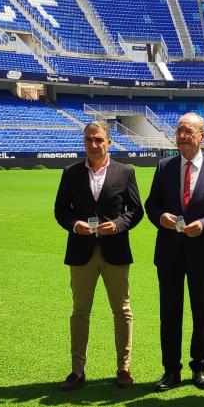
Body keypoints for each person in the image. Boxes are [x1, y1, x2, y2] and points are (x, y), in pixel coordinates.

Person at [144, 112, 204, 391]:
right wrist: (162, 218)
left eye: (189, 131)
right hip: (169, 253)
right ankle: (171, 370)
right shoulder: (164, 166)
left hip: (203, 253)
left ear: (202, 136)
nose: (182, 136)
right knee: (169, 313)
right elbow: (151, 205)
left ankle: (200, 368)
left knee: (202, 313)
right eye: (180, 130)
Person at [54, 120, 144, 391]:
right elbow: (61, 210)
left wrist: (117, 224)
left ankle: (123, 367)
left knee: (122, 311)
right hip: (81, 252)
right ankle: (77, 370)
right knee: (80, 312)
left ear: (109, 142)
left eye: (98, 140)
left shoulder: (125, 171)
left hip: (115, 251)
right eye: (88, 140)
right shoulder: (70, 173)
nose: (93, 145)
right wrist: (74, 224)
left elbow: (135, 210)